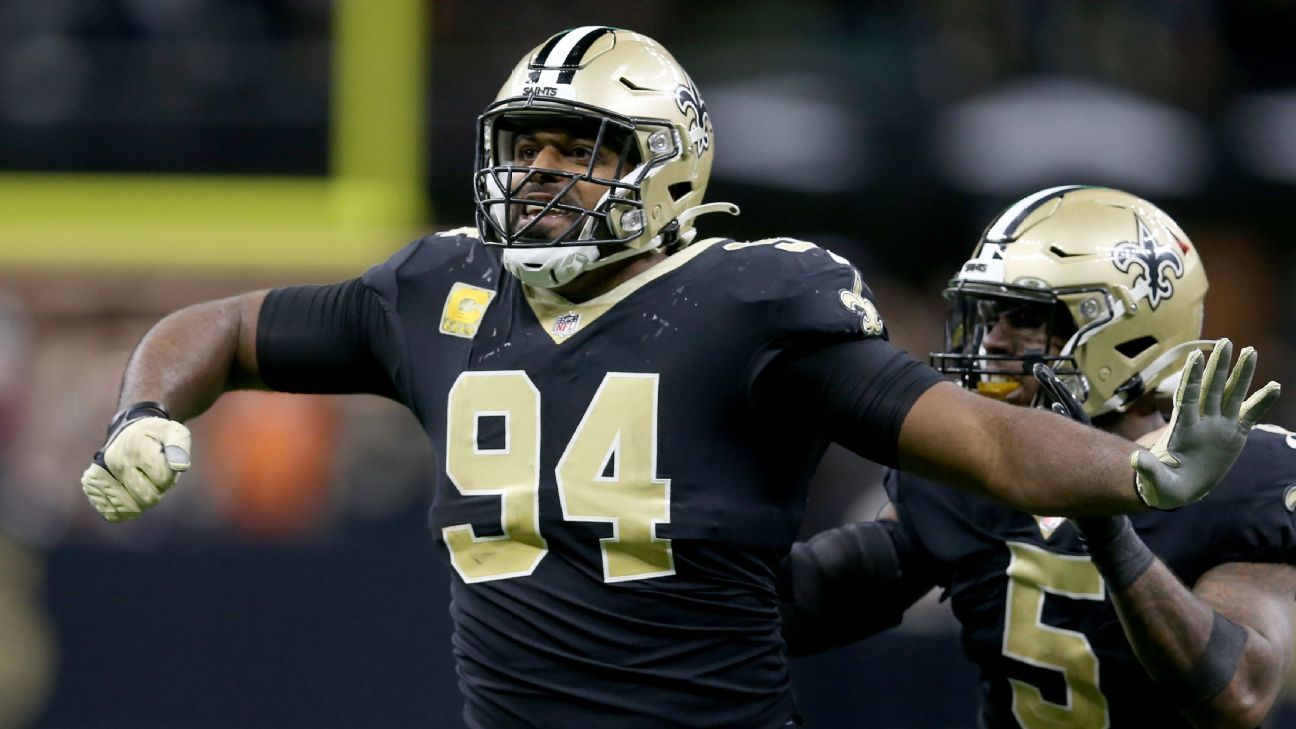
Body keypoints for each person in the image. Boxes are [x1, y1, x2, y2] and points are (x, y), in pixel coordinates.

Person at [78, 28, 1276, 729]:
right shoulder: (431, 291)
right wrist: (146, 406)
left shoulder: (749, 305)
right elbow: (226, 327)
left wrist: (1128, 478)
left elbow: (975, 436)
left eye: (583, 147)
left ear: (665, 168)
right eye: (525, 144)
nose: (542, 173)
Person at [780, 186, 1296, 728]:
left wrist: (1106, 521)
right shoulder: (974, 470)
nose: (991, 343)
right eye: (987, 315)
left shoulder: (1246, 479)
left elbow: (1238, 693)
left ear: (1127, 335)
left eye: (1026, 317)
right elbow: (816, 596)